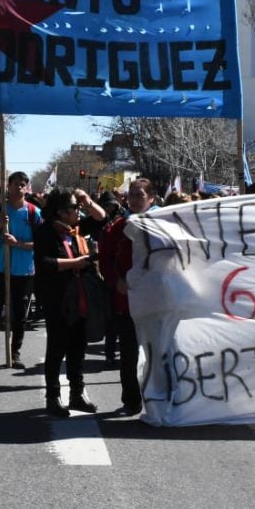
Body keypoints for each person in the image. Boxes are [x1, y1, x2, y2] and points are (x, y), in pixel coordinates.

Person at [34, 187, 106, 416]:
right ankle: (53, 397)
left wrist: (87, 200)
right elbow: (44, 263)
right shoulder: (45, 231)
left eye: (78, 207)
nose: (79, 211)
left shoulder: (77, 229)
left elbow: (101, 218)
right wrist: (75, 263)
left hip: (80, 295)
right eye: (75, 207)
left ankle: (77, 395)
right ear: (60, 212)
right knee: (56, 348)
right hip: (57, 297)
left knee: (78, 348)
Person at [100, 178, 158, 416]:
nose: (134, 199)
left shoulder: (164, 225)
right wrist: (116, 281)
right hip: (126, 302)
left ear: (151, 198)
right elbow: (104, 261)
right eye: (131, 195)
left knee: (159, 353)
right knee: (129, 356)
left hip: (158, 304)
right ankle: (131, 401)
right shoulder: (118, 227)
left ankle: (160, 399)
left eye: (140, 195)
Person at [0, 171, 41, 372]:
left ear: (27, 187)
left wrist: (19, 244)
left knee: (20, 317)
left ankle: (15, 354)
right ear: (9, 186)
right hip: (1, 270)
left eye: (22, 184)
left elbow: (41, 245)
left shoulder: (34, 213)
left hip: (25, 274)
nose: (19, 188)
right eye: (15, 184)